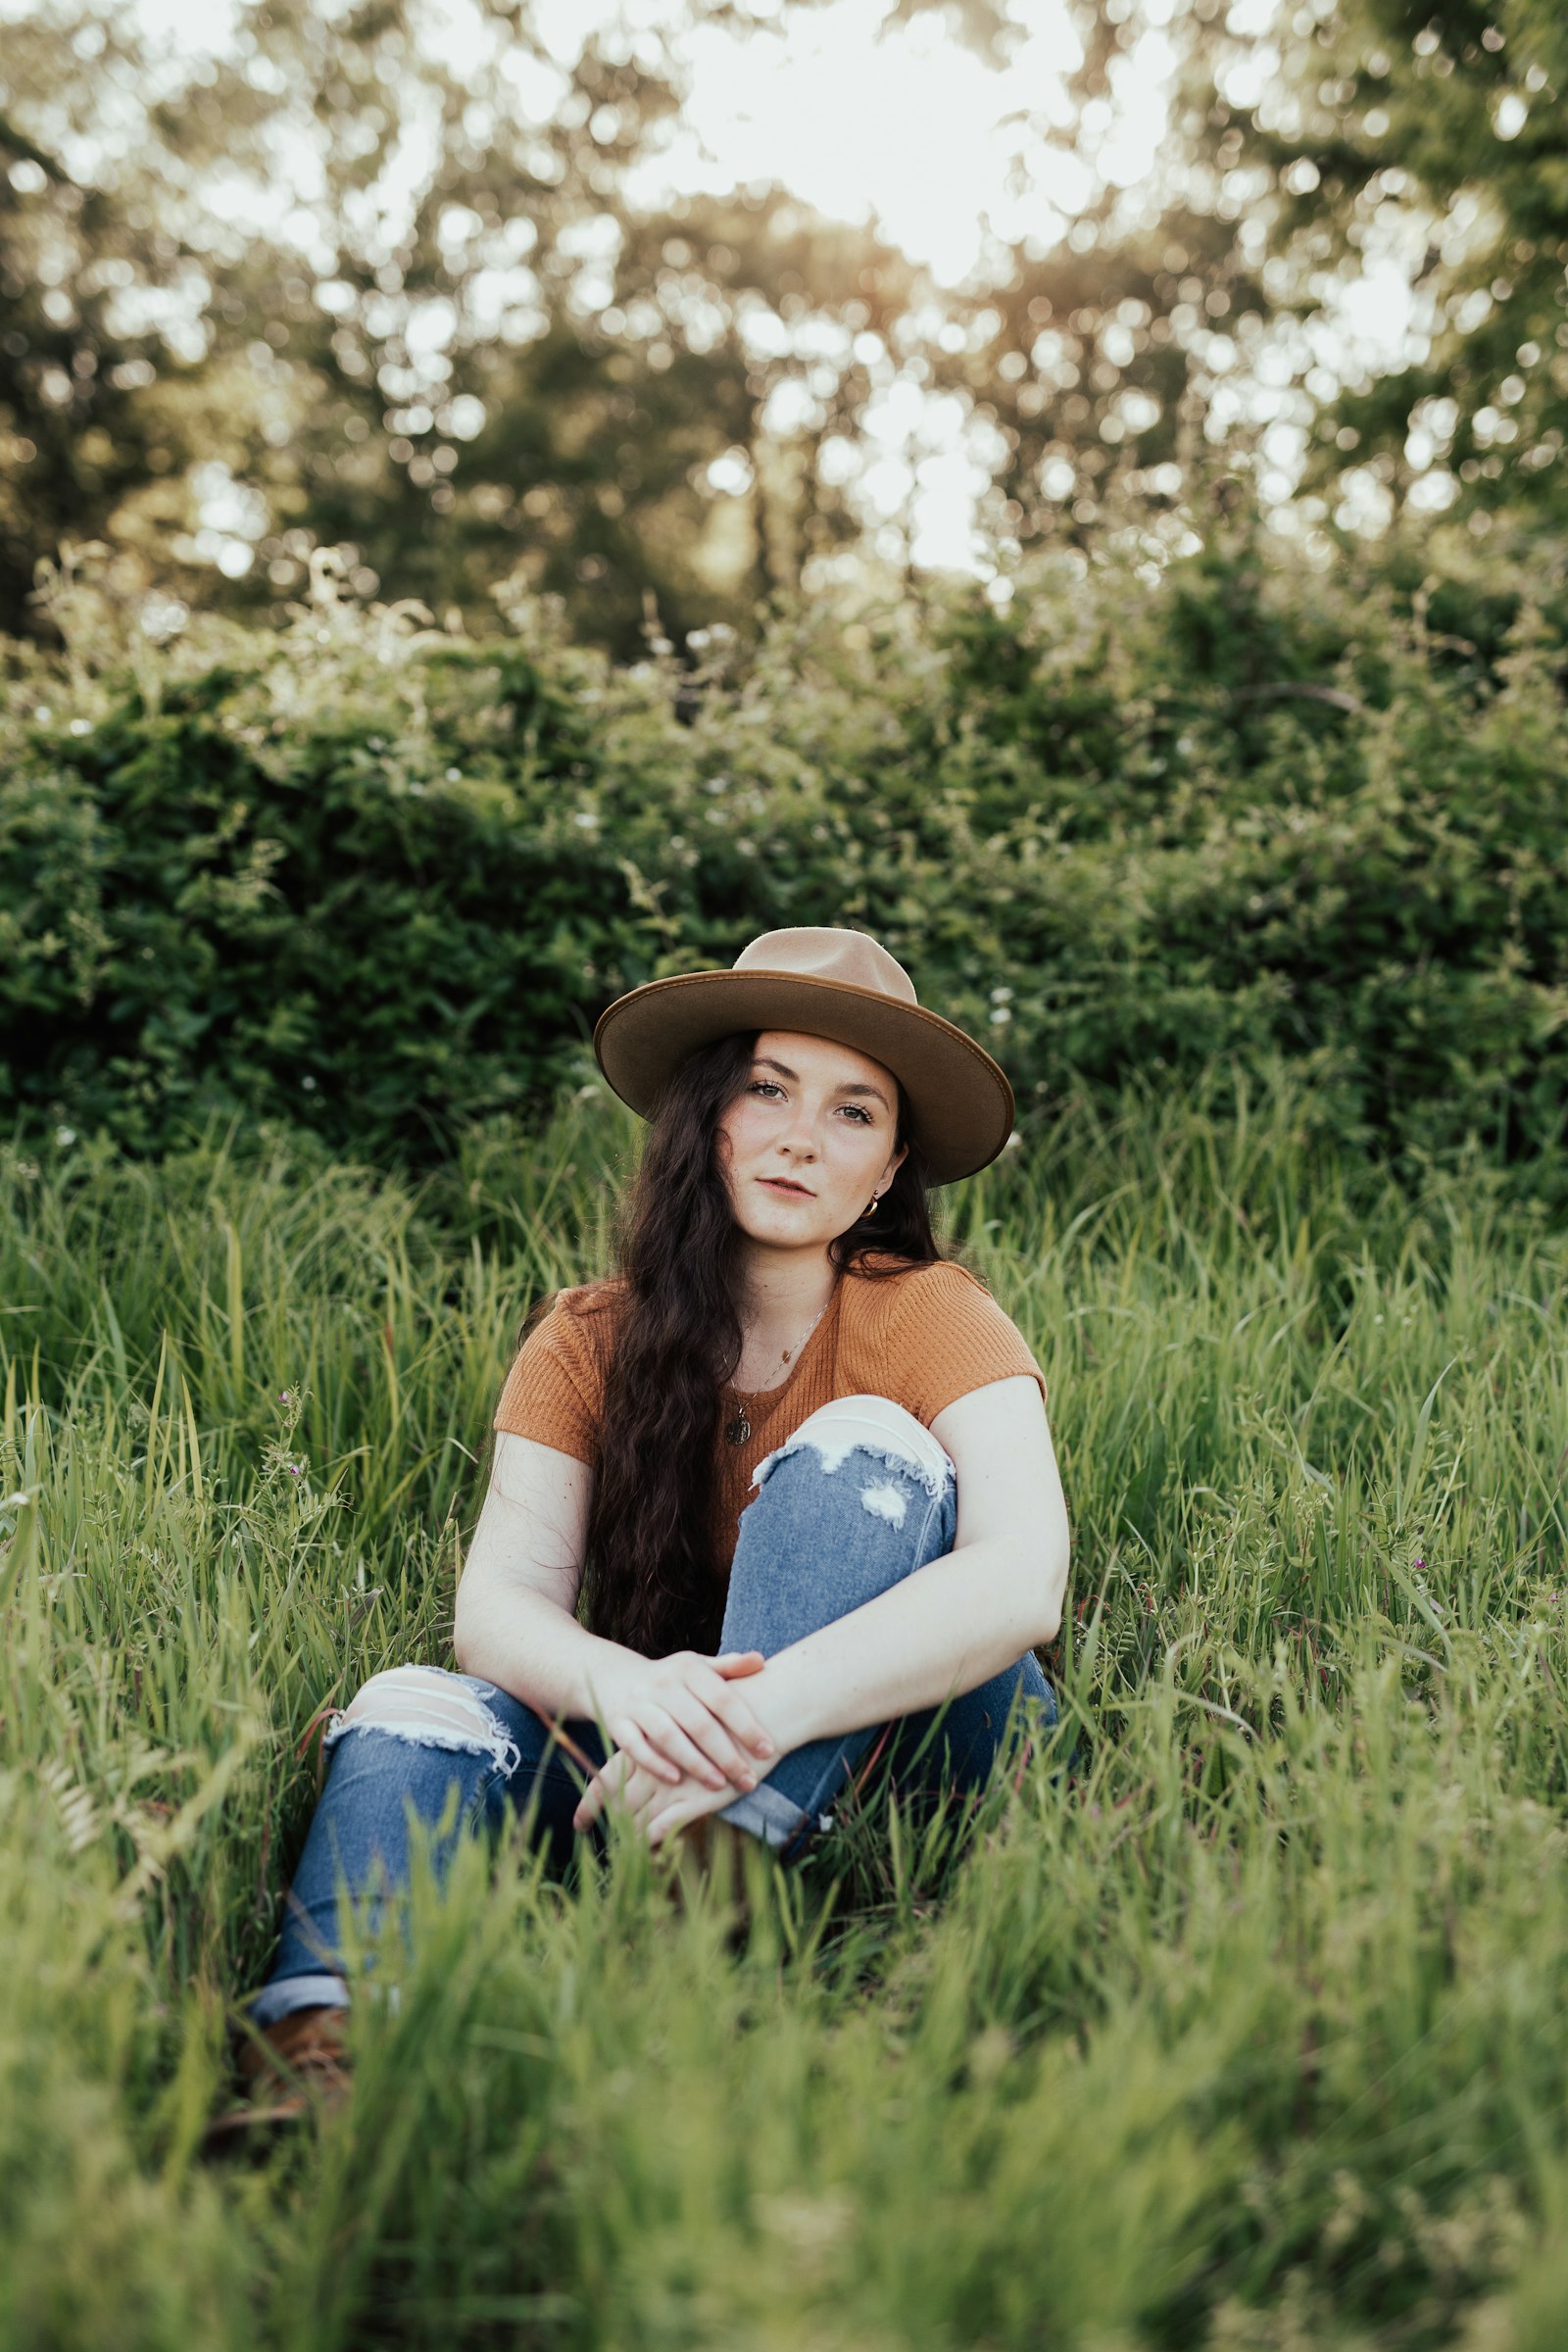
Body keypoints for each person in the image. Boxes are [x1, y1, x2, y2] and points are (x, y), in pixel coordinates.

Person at [224, 927, 1071, 2126]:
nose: (798, 1136)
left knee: (865, 1446)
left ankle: (703, 1874)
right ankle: (321, 2060)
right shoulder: (587, 1339)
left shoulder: (931, 1314)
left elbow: (1023, 1580)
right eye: (767, 1089)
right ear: (704, 1115)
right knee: (416, 1702)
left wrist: (752, 1719)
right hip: (654, 1766)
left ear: (885, 1173)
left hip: (921, 1749)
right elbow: (499, 1608)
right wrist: (626, 1689)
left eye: (853, 1113)